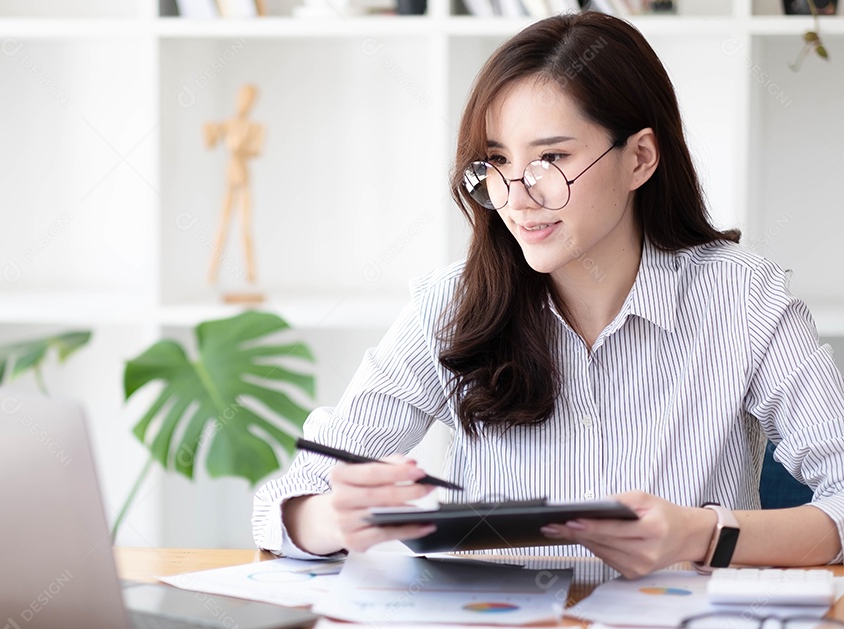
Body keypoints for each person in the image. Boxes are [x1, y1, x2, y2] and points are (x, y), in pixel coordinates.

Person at [252, 11, 844, 579]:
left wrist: (699, 534)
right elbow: (285, 504)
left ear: (639, 158)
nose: (516, 196)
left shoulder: (745, 299)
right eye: (498, 161)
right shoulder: (452, 306)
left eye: (551, 158)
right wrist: (335, 517)